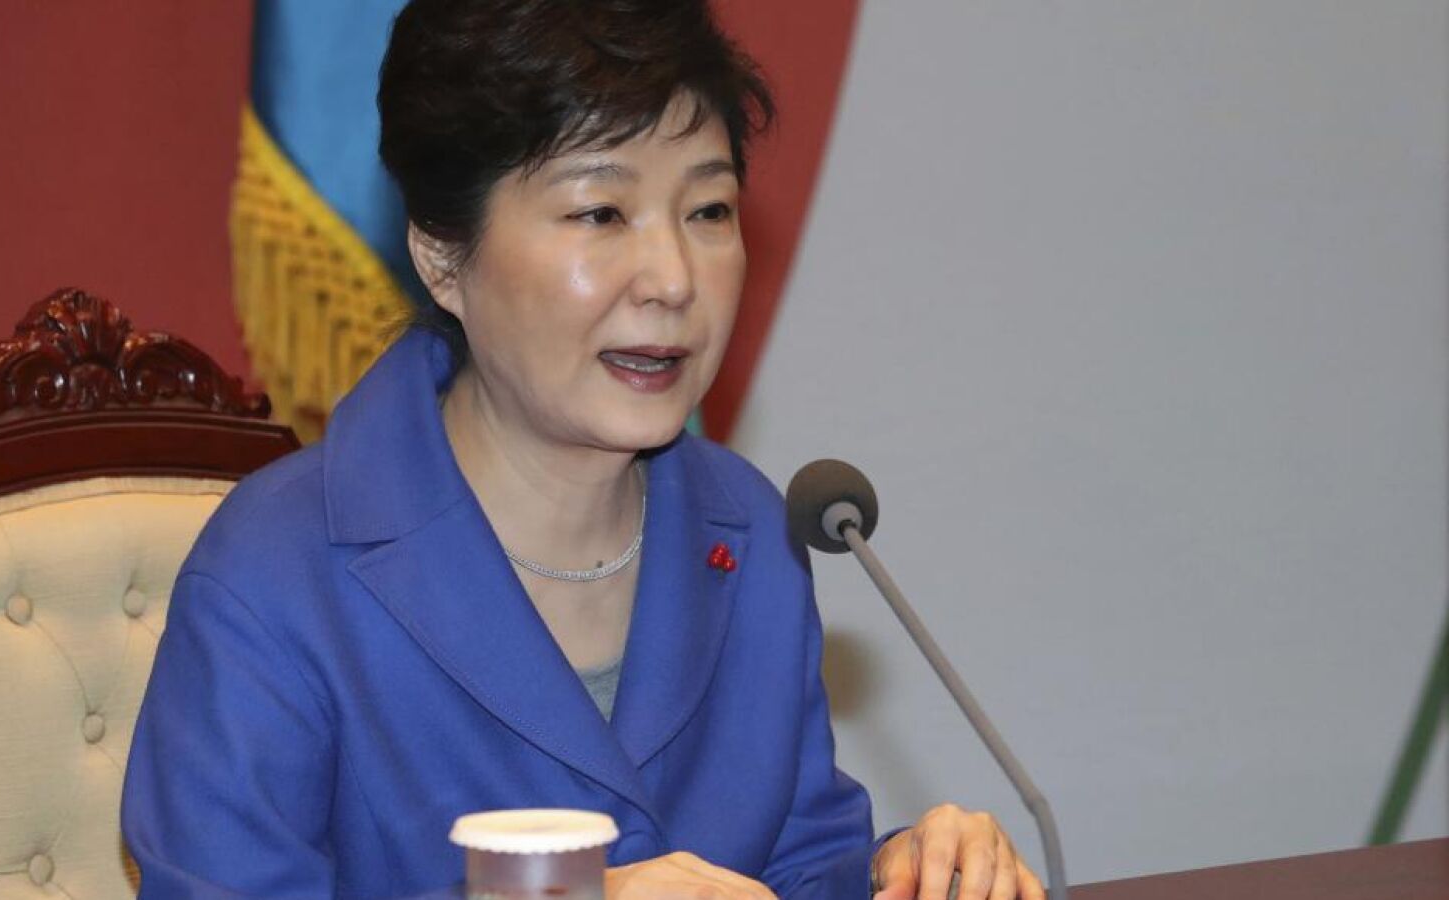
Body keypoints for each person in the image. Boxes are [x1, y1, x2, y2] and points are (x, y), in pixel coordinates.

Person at [121, 1, 1046, 898]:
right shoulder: (276, 573)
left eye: (708, 210)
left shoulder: (750, 529)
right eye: (601, 213)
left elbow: (793, 864)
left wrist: (903, 873)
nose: (674, 280)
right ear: (443, 256)